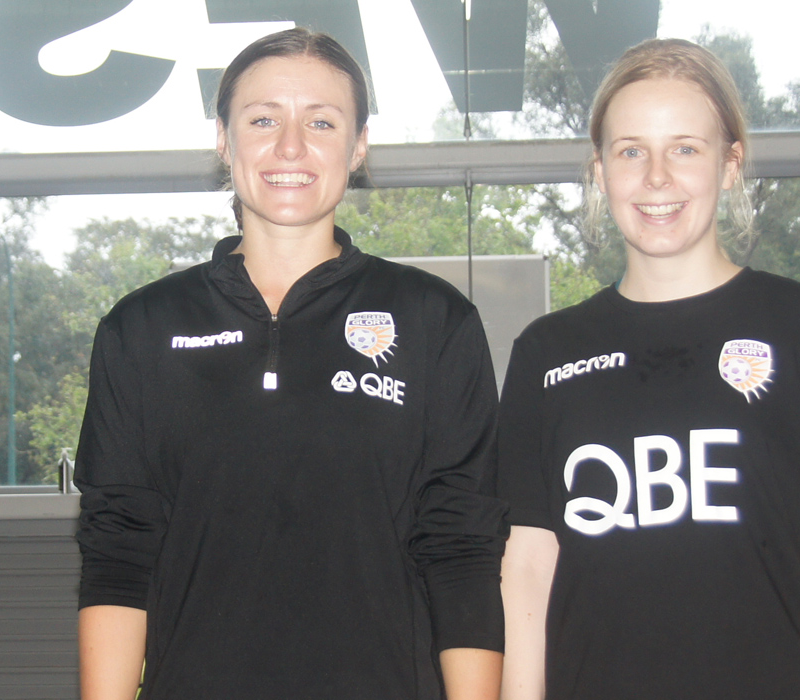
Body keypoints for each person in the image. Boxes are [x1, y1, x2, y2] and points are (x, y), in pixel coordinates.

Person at [74, 28, 505, 700]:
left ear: (358, 147)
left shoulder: (434, 320)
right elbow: (118, 551)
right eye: (263, 119)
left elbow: (462, 550)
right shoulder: (141, 329)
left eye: (322, 121)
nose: (291, 147)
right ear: (224, 140)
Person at [497, 38, 800, 700]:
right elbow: (527, 567)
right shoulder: (547, 352)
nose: (657, 177)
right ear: (600, 170)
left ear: (730, 164)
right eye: (631, 151)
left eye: (685, 148)